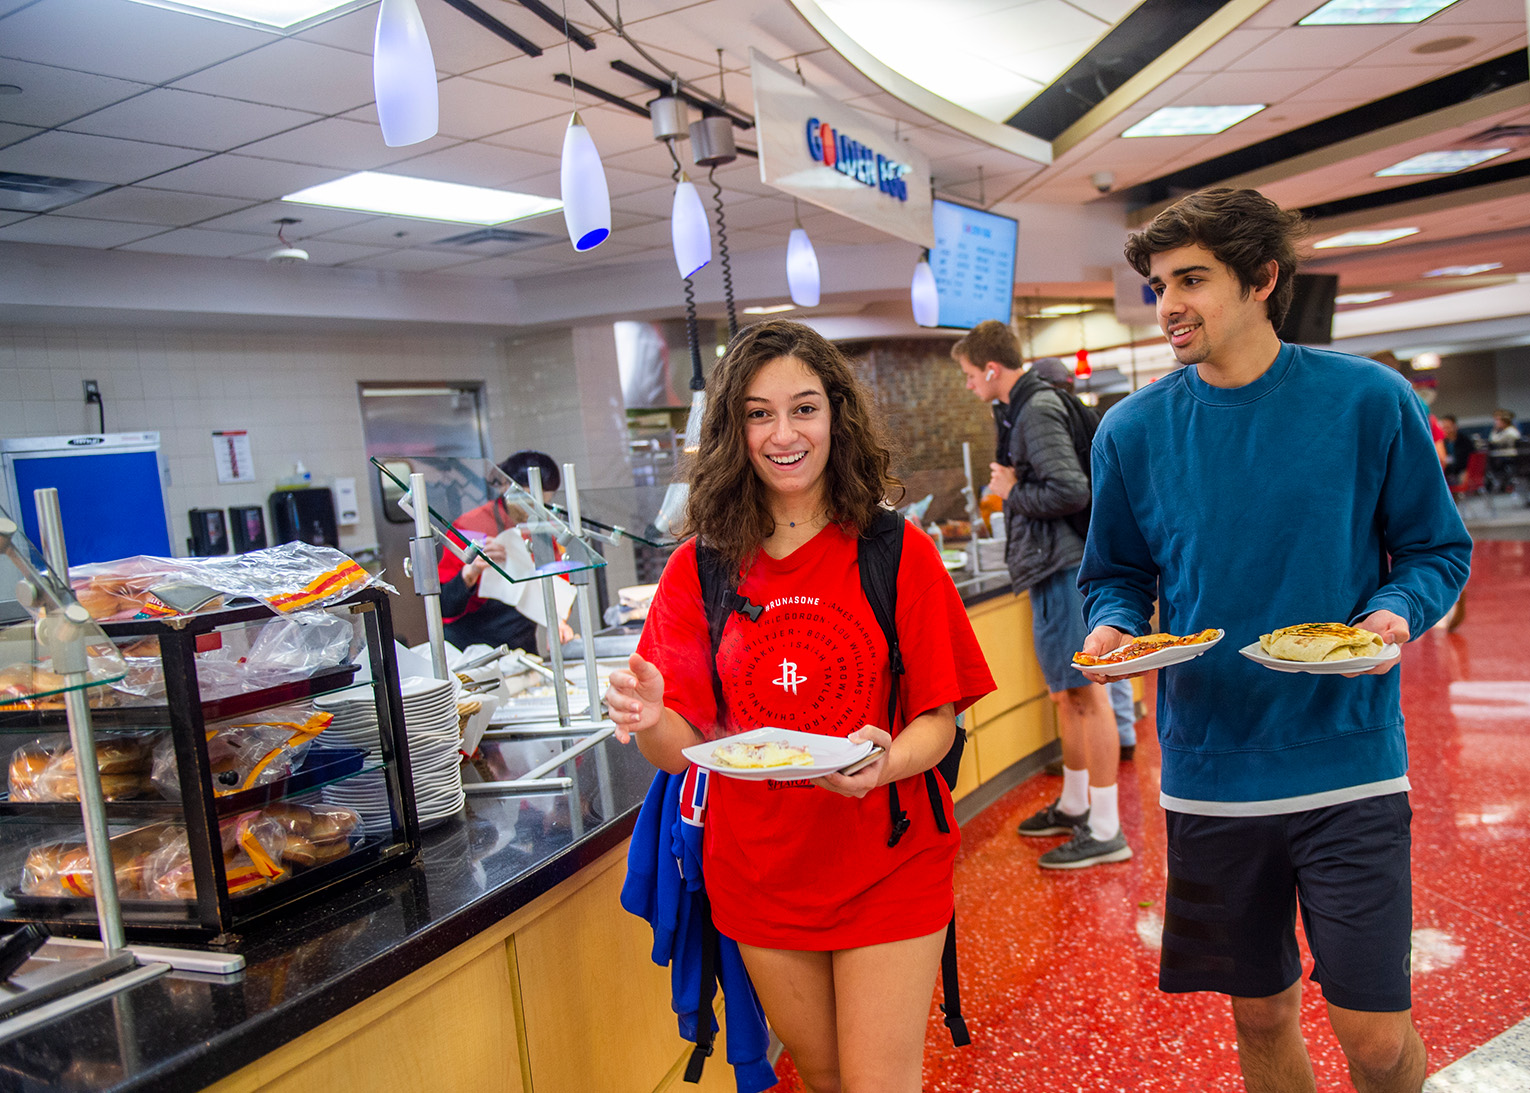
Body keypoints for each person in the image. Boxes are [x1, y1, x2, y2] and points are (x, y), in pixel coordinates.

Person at [1078, 187, 1471, 1093]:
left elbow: (1434, 548)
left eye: (1191, 278)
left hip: (1349, 762)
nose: (1167, 302)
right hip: (1211, 772)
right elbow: (1119, 576)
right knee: (1258, 1015)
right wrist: (1111, 631)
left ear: (1262, 278)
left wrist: (1393, 613)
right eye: (1157, 283)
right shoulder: (1131, 433)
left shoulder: (1368, 398)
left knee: (1373, 1038)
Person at [604, 320, 994, 1093]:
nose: (783, 432)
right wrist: (650, 716)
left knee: (878, 1083)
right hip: (759, 868)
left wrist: (884, 763)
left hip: (889, 853)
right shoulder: (700, 569)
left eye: (804, 408)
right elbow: (681, 751)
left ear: (836, 417)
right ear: (733, 430)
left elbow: (938, 719)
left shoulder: (896, 551)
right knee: (822, 1076)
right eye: (758, 413)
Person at [952, 325, 1133, 869]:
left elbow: (1071, 488)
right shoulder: (1018, 408)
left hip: (1065, 564)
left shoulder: (1034, 409)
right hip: (1053, 564)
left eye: (967, 375)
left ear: (990, 369)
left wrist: (1011, 491)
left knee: (1087, 694)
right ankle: (1077, 806)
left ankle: (1106, 827)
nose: (966, 387)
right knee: (1068, 695)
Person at [1029, 354, 1138, 766]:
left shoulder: (1054, 424)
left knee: (1094, 674)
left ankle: (1101, 804)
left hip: (1075, 552)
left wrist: (1013, 490)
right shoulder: (1090, 421)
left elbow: (1071, 492)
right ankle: (1125, 733)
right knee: (1114, 646)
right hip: (1095, 545)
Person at [438, 450, 573, 654]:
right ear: (504, 486)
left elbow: (556, 580)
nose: (532, 512)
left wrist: (558, 620)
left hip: (520, 643)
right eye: (527, 502)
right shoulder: (469, 526)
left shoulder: (541, 525)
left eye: (541, 504)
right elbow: (444, 604)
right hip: (468, 645)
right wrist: (471, 572)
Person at [1487, 409, 1521, 493]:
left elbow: (1493, 440)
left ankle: (1495, 484)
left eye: (1498, 420)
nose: (1496, 423)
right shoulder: (1506, 431)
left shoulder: (1510, 432)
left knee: (1488, 461)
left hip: (1510, 459)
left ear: (1504, 421)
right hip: (1506, 457)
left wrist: (1494, 429)